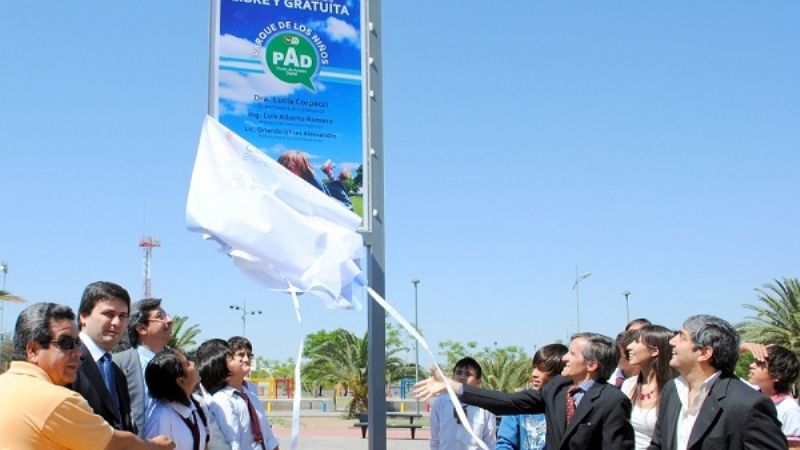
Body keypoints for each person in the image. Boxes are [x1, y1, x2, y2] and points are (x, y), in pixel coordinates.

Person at [414, 332, 634, 449]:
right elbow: (509, 402)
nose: (565, 358)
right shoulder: (557, 389)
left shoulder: (612, 401)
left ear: (592, 365)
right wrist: (455, 387)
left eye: (572, 354)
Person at [0, 302, 174, 449]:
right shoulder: (57, 400)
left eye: (77, 343)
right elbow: (115, 444)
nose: (78, 352)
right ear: (33, 350)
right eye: (66, 343)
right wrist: (155, 445)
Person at [647, 314, 787, 450]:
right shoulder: (672, 390)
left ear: (704, 353)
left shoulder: (747, 404)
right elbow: (659, 444)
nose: (672, 341)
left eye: (682, 337)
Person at [72, 281, 137, 432]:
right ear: (84, 316)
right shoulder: (68, 361)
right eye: (109, 314)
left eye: (123, 316)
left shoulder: (115, 371)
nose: (117, 322)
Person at [203, 337, 280, 450]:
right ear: (227, 361)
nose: (246, 359)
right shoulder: (222, 400)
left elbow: (268, 437)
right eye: (241, 355)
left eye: (249, 355)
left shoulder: (251, 396)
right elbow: (233, 443)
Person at [114, 298, 174, 433]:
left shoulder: (182, 364)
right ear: (141, 328)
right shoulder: (118, 365)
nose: (170, 320)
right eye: (160, 317)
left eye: (167, 315)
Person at [495, 343, 568, 450]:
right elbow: (505, 443)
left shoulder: (570, 405)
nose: (534, 374)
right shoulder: (519, 405)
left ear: (558, 373)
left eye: (541, 369)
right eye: (534, 368)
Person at [142, 349, 210, 450]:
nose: (193, 363)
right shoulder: (161, 418)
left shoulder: (197, 405)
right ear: (181, 381)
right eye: (187, 364)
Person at [622, 325, 677, 450]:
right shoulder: (628, 385)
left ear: (654, 351)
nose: (629, 347)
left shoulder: (675, 389)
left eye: (636, 342)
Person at [430, 357, 496, 450]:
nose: (462, 377)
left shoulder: (485, 407)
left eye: (468, 374)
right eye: (459, 373)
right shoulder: (440, 403)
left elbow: (489, 442)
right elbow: (435, 439)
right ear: (452, 377)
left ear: (478, 381)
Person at [742, 342, 800, 444]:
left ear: (777, 375)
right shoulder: (748, 391)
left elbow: (793, 447)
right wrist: (743, 347)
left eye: (760, 363)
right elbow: (718, 367)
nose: (751, 365)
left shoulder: (788, 409)